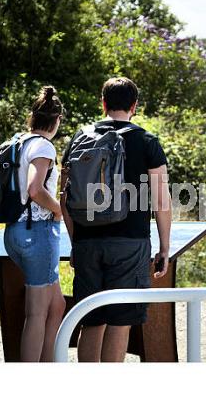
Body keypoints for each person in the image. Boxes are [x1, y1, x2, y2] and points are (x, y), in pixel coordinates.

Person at [61, 77, 172, 362]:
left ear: (103, 103)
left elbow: (65, 197)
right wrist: (164, 248)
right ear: (134, 106)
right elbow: (161, 200)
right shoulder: (147, 141)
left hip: (87, 242)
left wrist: (76, 243)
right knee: (121, 320)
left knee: (91, 319)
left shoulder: (80, 138)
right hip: (130, 244)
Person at [3, 86, 66, 362]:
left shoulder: (20, 142)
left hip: (15, 231)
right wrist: (59, 210)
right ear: (57, 120)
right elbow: (34, 189)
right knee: (36, 313)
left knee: (57, 305)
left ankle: (48, 366)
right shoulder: (44, 146)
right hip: (37, 234)